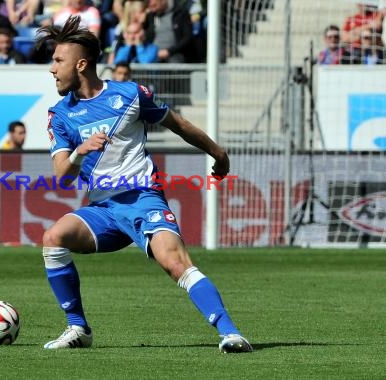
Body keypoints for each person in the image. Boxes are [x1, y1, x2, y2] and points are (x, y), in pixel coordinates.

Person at [36, 16, 253, 353]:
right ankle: (78, 328)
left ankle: (230, 333)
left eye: (58, 60)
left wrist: (217, 151)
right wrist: (80, 151)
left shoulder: (130, 95)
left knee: (175, 262)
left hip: (142, 200)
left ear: (81, 64)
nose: (52, 69)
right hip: (104, 211)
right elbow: (62, 174)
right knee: (53, 239)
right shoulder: (60, 114)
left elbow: (177, 123)